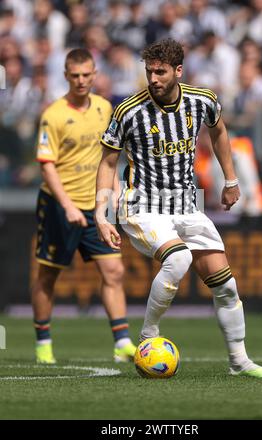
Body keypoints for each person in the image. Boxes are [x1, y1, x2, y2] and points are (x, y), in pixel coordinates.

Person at [95, 39, 262, 378]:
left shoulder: (203, 101)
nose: (153, 79)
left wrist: (230, 179)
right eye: (149, 71)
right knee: (179, 258)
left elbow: (220, 132)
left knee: (226, 285)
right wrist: (101, 214)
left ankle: (239, 362)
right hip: (142, 205)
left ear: (178, 71)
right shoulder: (128, 111)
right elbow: (108, 162)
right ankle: (148, 335)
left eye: (161, 72)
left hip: (187, 205)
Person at [32, 48, 136, 364]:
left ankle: (122, 342)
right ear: (66, 76)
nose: (80, 81)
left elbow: (110, 155)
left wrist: (116, 189)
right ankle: (43, 343)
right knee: (49, 275)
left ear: (94, 74)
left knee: (114, 270)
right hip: (59, 205)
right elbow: (47, 165)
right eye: (74, 75)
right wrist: (67, 206)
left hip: (95, 207)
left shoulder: (106, 108)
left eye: (86, 75)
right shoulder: (53, 114)